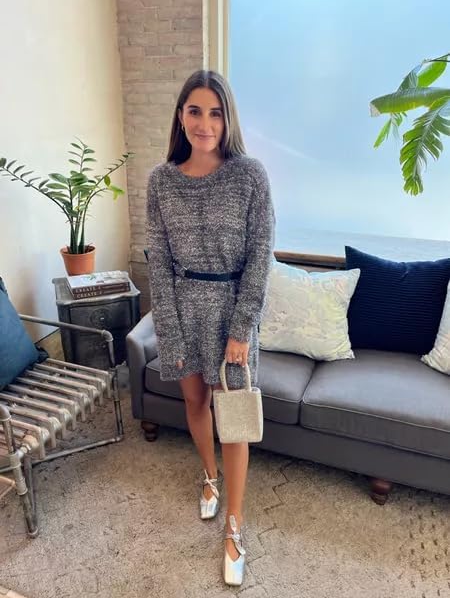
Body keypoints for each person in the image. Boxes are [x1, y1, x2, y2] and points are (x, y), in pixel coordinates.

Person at [146, 69, 275, 586]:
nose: (205, 123)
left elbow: (261, 255)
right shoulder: (161, 181)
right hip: (182, 309)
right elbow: (158, 263)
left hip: (232, 314)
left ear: (228, 118)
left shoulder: (250, 176)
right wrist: (168, 328)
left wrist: (242, 329)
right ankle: (208, 475)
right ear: (181, 116)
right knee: (195, 403)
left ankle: (234, 526)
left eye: (215, 113)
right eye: (195, 111)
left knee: (234, 418)